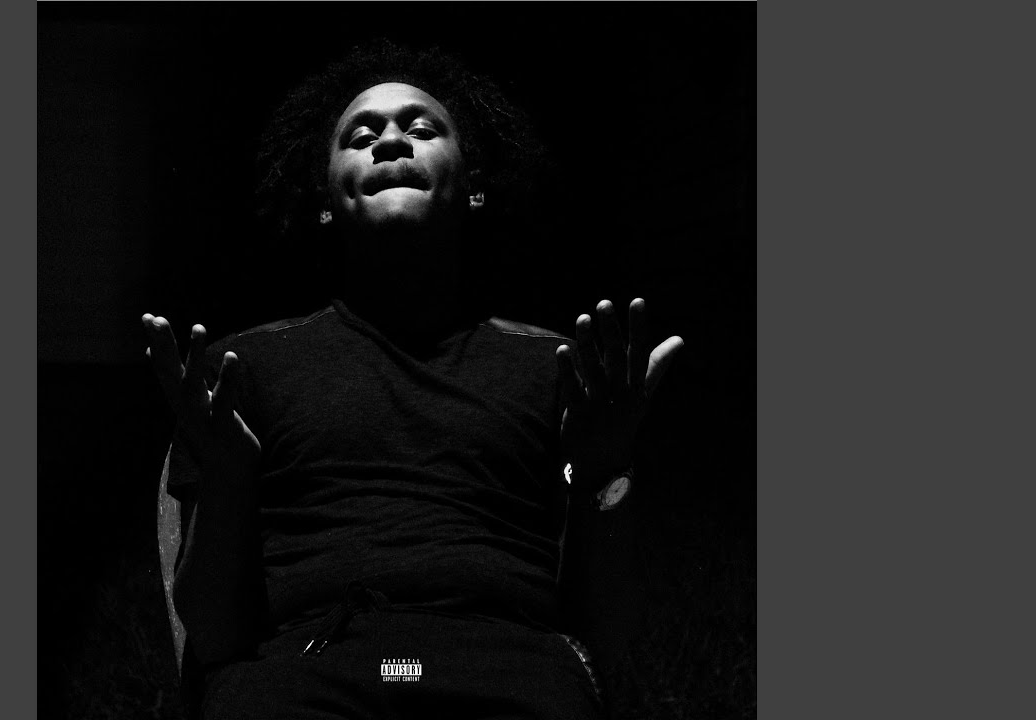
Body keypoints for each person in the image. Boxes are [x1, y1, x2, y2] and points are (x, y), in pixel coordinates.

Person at [141, 41, 683, 719]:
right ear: (324, 198)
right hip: (302, 675)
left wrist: (603, 474)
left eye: (422, 129)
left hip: (509, 675)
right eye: (361, 135)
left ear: (474, 184)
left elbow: (602, 631)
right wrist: (226, 482)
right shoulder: (240, 372)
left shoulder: (560, 370)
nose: (392, 140)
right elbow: (216, 635)